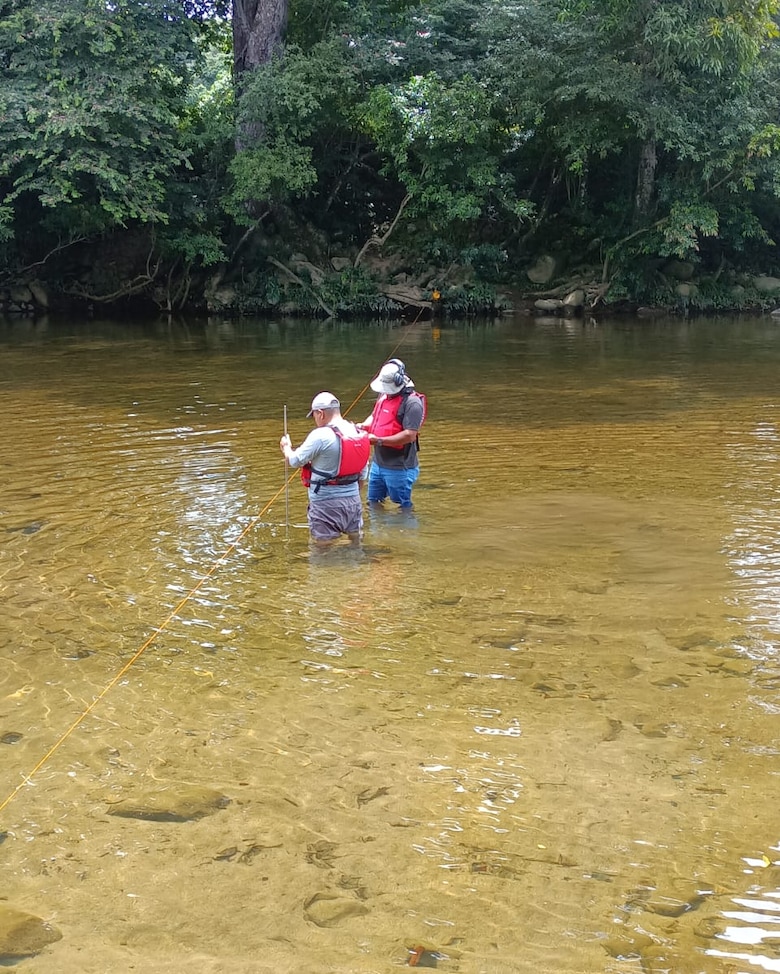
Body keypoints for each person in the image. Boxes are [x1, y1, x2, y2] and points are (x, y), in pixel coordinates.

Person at [280, 392, 370, 544]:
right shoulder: (357, 432)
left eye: (314, 415)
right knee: (356, 543)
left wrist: (286, 448)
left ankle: (326, 569)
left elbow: (295, 461)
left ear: (320, 413)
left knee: (322, 551)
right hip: (353, 502)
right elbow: (363, 473)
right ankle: (356, 567)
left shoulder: (320, 435)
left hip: (325, 504)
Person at [359, 359, 427, 509]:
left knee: (402, 505)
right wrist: (363, 426)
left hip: (399, 467)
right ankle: (378, 530)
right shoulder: (384, 396)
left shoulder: (412, 403)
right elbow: (374, 416)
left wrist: (378, 440)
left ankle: (405, 530)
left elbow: (410, 435)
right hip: (378, 463)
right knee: (373, 501)